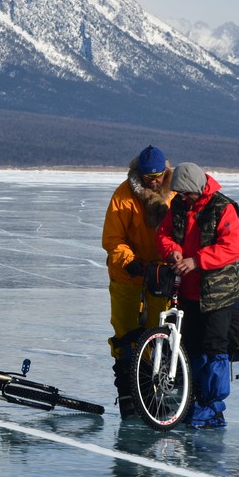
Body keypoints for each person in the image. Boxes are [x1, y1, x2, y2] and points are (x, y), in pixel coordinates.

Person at [156, 163, 239, 429]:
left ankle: (213, 409)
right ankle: (190, 401)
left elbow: (231, 247)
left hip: (217, 293)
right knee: (190, 348)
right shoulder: (179, 207)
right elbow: (164, 234)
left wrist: (197, 260)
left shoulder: (222, 207)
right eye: (178, 194)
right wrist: (172, 251)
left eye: (185, 194)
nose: (181, 198)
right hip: (187, 292)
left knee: (214, 349)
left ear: (196, 188)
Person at [102, 145, 173, 418]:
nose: (153, 181)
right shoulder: (123, 196)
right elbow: (112, 238)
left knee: (157, 333)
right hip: (126, 273)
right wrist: (129, 261)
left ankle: (150, 394)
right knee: (125, 333)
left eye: (157, 176)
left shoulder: (174, 193)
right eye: (147, 177)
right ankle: (128, 396)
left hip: (160, 274)